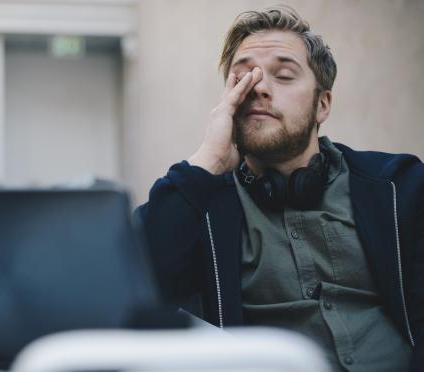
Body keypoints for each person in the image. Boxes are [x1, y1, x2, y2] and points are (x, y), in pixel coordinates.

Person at [135, 6, 423, 372]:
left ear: (322, 104)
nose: (259, 88)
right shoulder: (200, 205)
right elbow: (134, 284)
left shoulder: (400, 186)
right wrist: (207, 159)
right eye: (243, 78)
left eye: (284, 75)